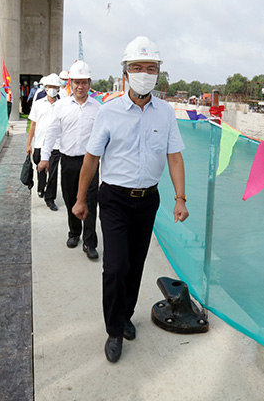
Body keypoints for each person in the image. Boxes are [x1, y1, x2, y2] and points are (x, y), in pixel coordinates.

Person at [72, 36, 189, 363]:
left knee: (135, 264)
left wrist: (180, 198)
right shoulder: (109, 112)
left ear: (157, 74)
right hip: (114, 200)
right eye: (137, 67)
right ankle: (113, 330)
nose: (144, 73)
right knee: (116, 266)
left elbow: (175, 157)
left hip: (147, 200)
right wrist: (82, 200)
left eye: (150, 68)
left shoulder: (165, 113)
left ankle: (126, 315)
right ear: (126, 73)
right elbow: (91, 159)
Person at [38, 60, 100, 260]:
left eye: (84, 82)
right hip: (68, 161)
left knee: (90, 202)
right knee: (70, 198)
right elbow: (52, 133)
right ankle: (74, 233)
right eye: (76, 82)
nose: (80, 86)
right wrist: (45, 158)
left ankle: (90, 242)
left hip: (90, 163)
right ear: (70, 84)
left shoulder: (98, 109)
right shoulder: (61, 106)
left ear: (89, 83)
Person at [27, 73, 61, 211]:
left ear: (59, 89)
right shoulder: (38, 105)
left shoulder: (63, 105)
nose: (52, 89)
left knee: (53, 172)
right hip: (39, 143)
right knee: (41, 169)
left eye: (55, 86)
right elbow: (33, 125)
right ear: (45, 88)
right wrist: (29, 144)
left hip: (56, 145)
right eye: (50, 86)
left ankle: (50, 198)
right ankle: (41, 187)